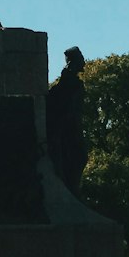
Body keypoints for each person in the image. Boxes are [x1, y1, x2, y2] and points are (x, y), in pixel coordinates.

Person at [46, 46, 88, 193]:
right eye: (81, 57)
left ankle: (72, 191)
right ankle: (71, 191)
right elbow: (65, 107)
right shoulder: (70, 82)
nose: (84, 61)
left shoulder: (72, 82)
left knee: (79, 158)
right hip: (68, 129)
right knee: (77, 158)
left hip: (72, 127)